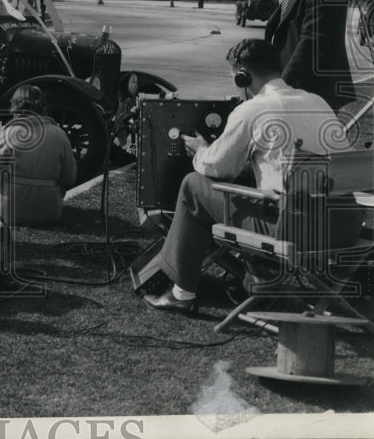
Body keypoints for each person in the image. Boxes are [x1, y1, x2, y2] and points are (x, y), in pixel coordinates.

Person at [143, 39, 343, 315]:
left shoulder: (252, 110)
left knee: (192, 186)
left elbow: (218, 168)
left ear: (242, 76)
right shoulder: (318, 102)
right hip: (338, 228)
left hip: (290, 230)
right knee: (253, 186)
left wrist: (201, 150)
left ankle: (182, 292)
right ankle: (258, 279)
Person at [0, 85, 76, 226]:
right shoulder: (59, 134)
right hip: (49, 212)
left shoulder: (9, 133)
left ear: (15, 107)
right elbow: (70, 178)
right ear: (43, 107)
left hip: (8, 212)